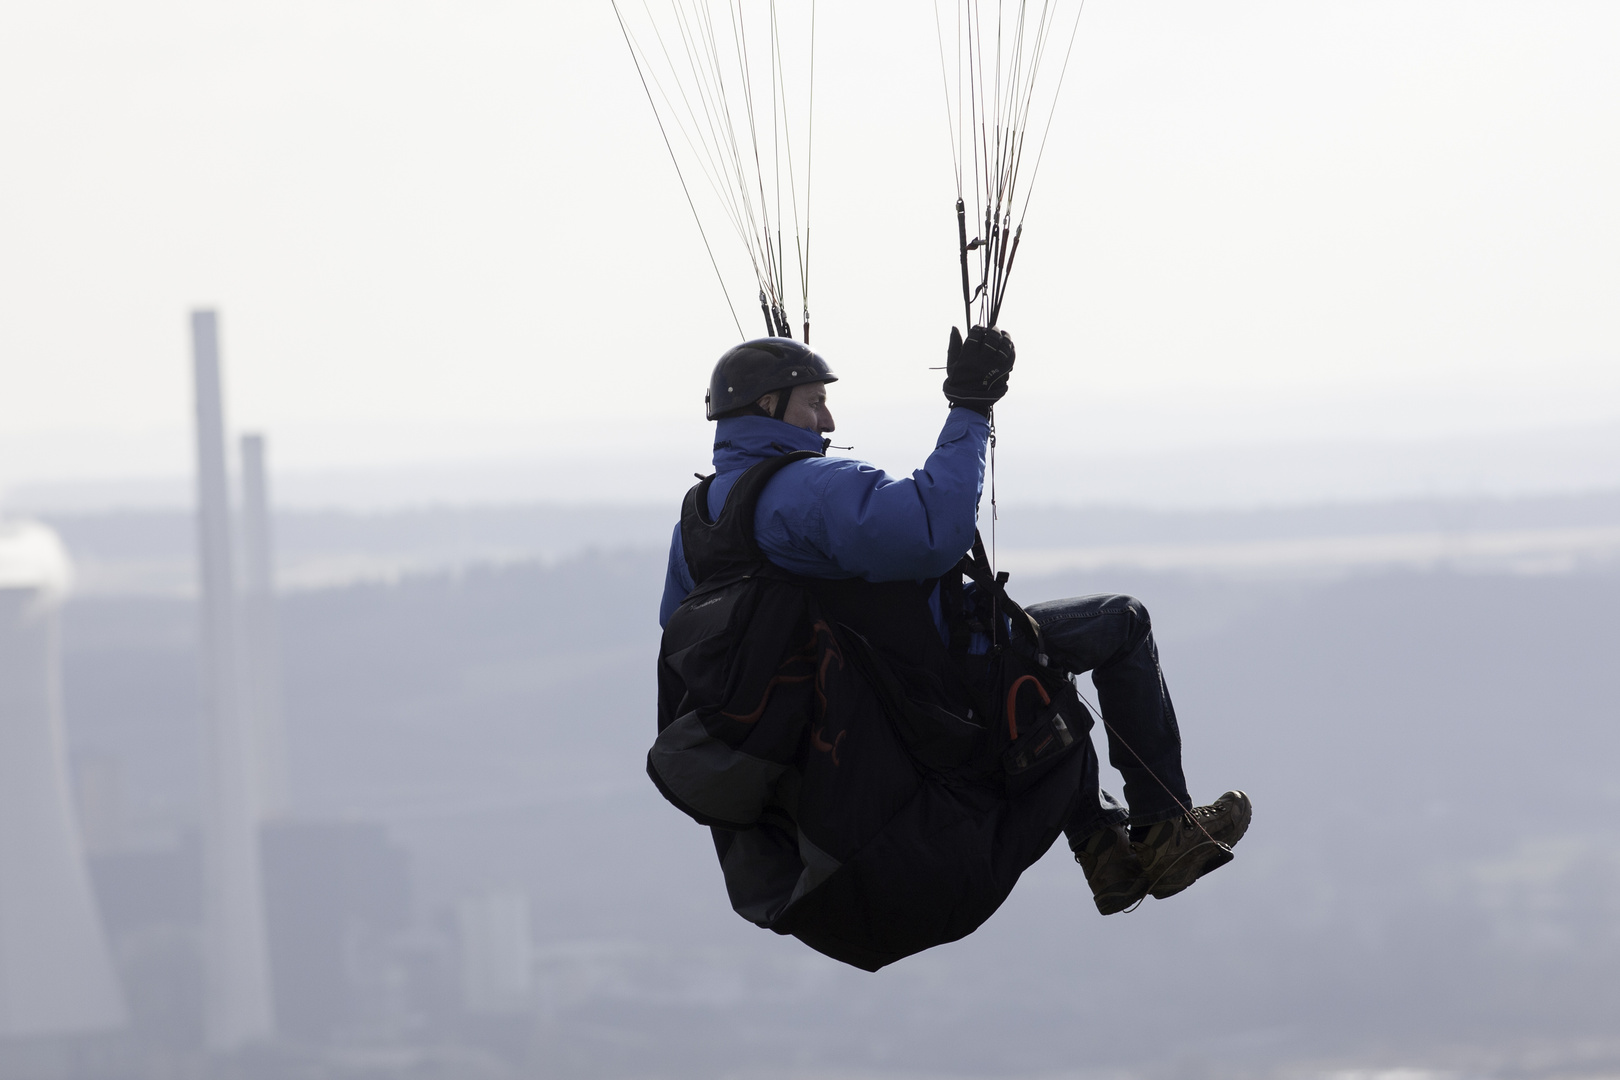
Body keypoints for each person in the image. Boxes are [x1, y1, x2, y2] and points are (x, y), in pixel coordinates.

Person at [654, 328, 1251, 966]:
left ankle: (1108, 856)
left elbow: (679, 625)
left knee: (1040, 667)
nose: (828, 419)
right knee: (1119, 623)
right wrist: (969, 408)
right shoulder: (803, 489)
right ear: (769, 407)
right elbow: (934, 530)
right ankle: (1163, 826)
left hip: (865, 701)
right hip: (934, 670)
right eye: (812, 403)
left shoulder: (698, 521)